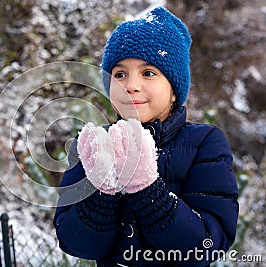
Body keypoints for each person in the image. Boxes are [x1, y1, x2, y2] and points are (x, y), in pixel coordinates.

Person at [53, 6, 239, 267]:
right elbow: (75, 242)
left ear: (174, 90)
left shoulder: (204, 143)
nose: (131, 85)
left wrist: (147, 190)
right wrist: (103, 190)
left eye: (148, 73)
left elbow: (208, 243)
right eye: (119, 74)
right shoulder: (94, 145)